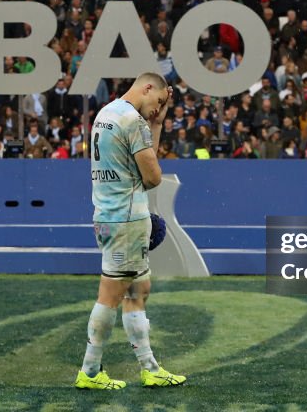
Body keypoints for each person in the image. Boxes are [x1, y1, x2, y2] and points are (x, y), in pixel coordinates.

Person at [76, 72, 186, 390]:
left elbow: (137, 154)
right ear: (147, 87)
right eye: (159, 102)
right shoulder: (132, 121)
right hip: (126, 219)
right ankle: (90, 371)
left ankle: (149, 368)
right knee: (112, 295)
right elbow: (152, 177)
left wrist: (159, 122)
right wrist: (151, 131)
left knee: (138, 290)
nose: (158, 108)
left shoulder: (107, 113)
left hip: (110, 214)